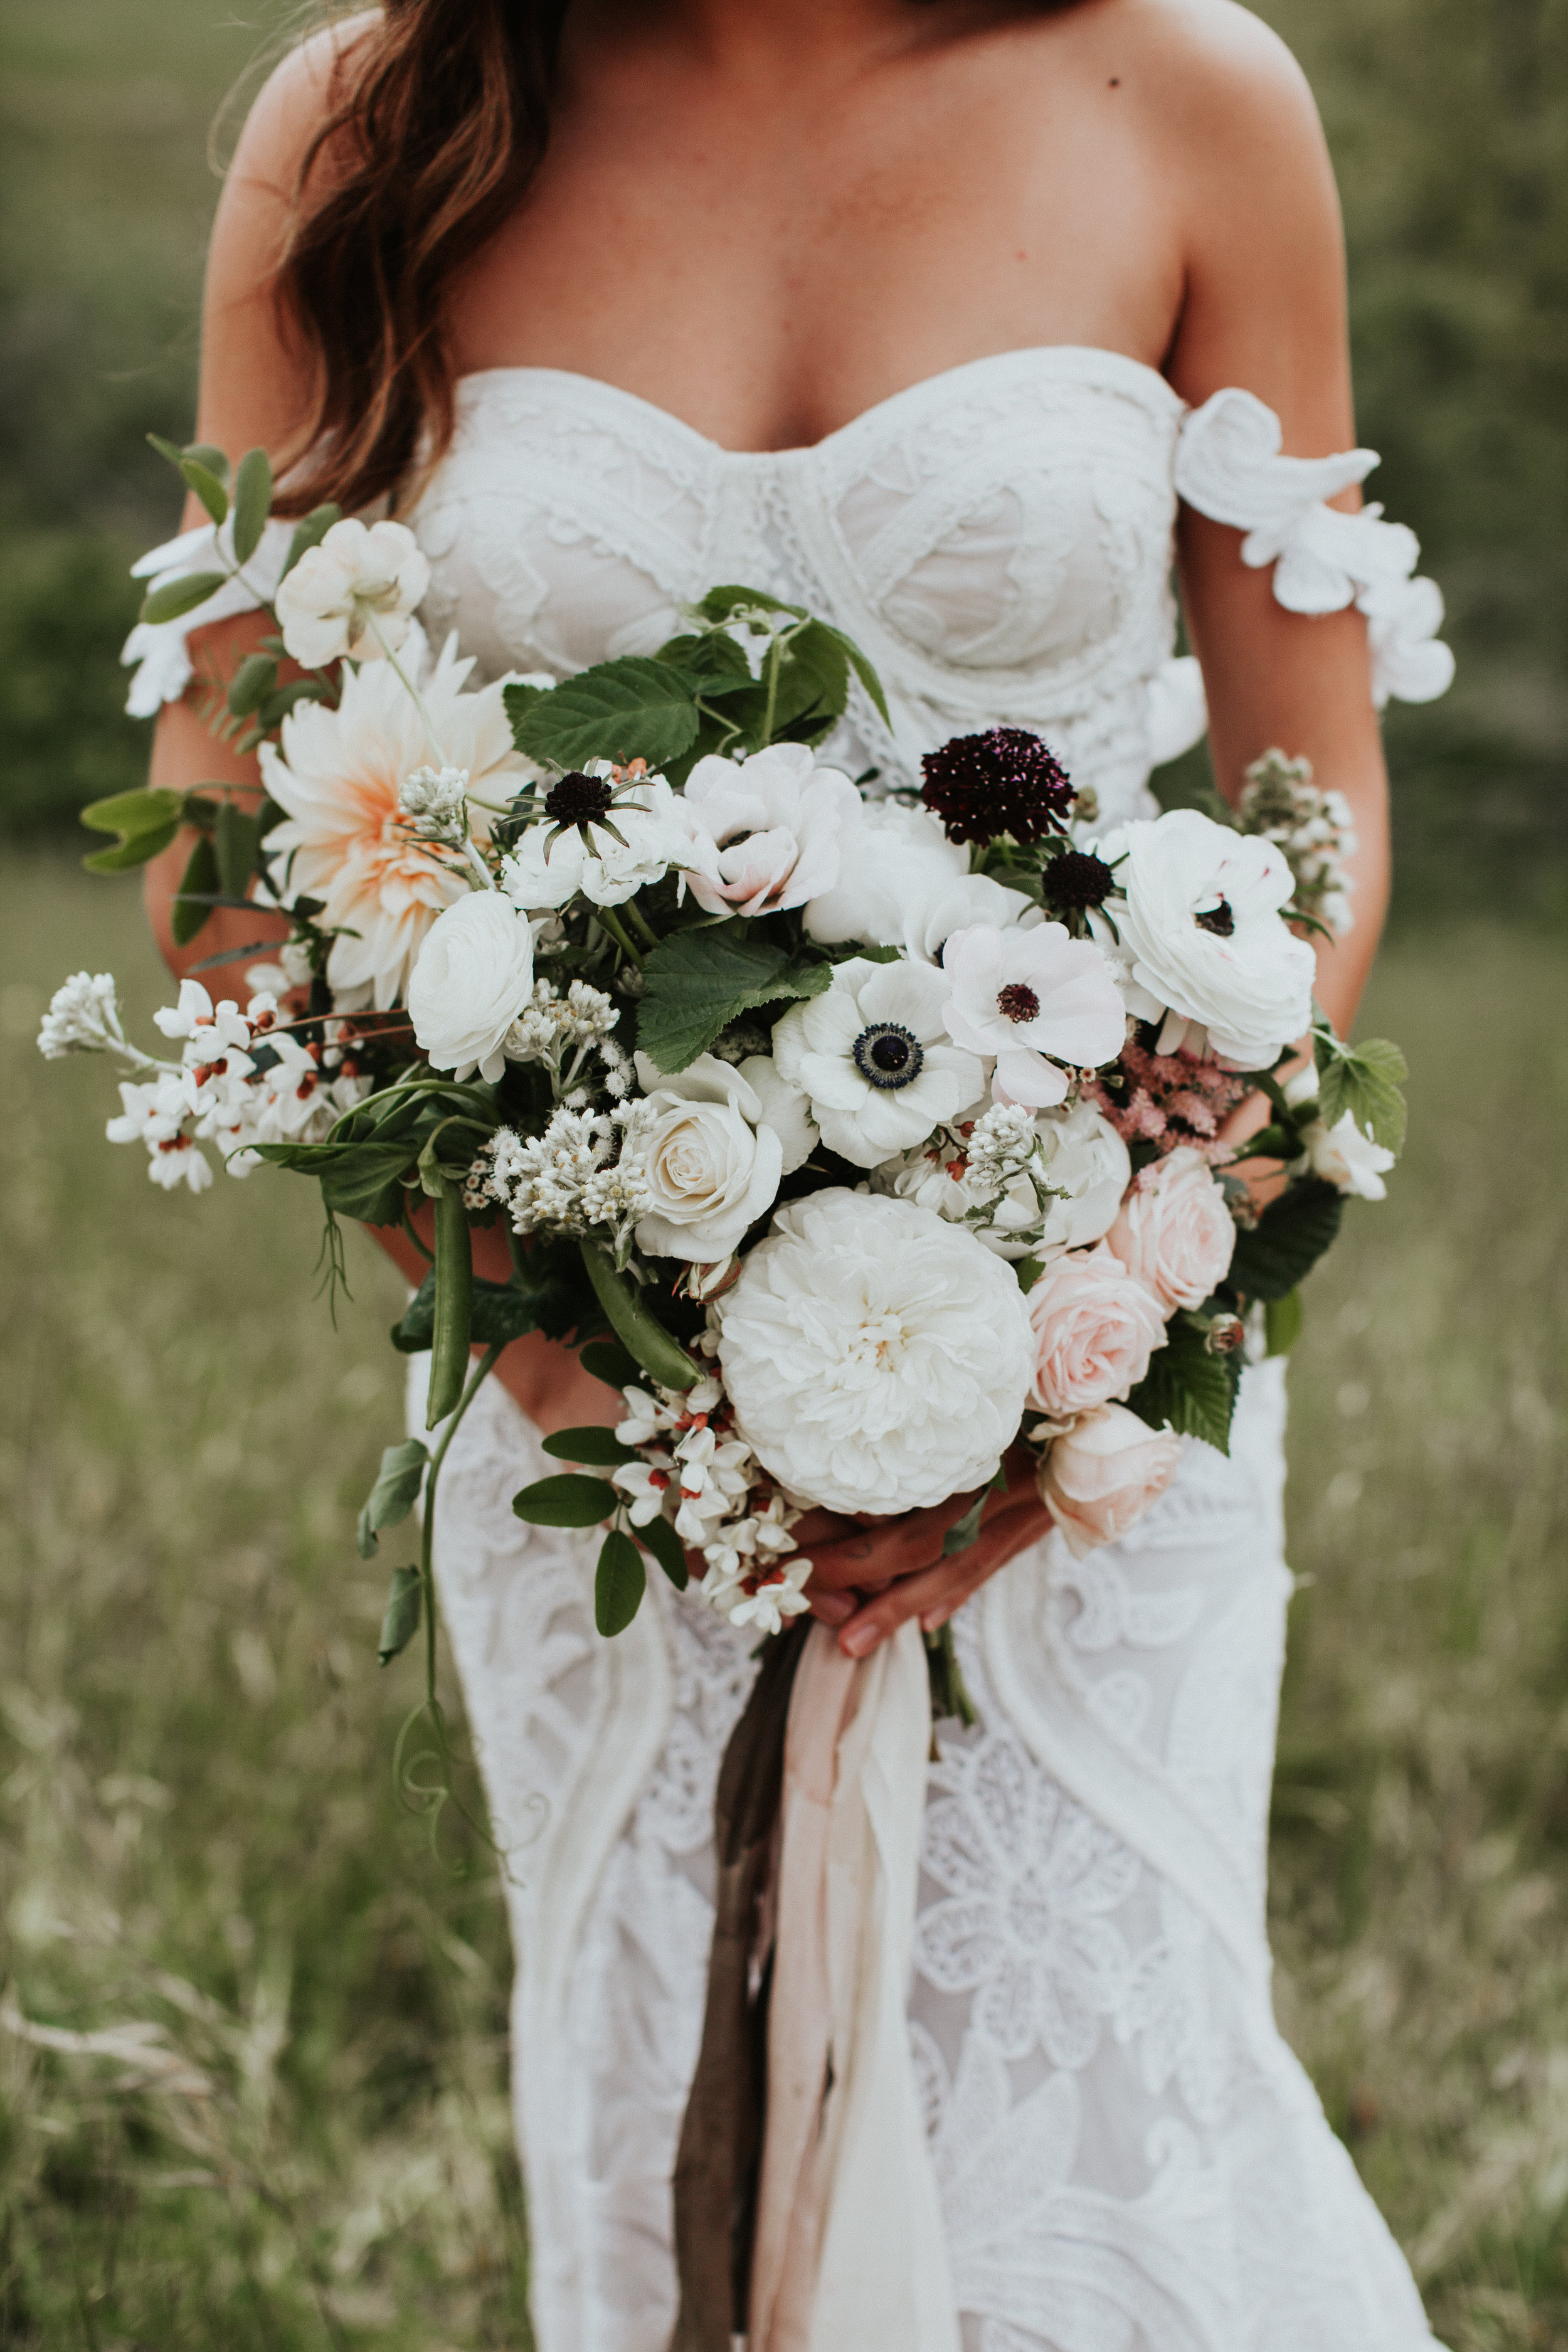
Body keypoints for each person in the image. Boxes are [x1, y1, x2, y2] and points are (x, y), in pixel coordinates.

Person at [142, 3, 1451, 2343]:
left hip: (1086, 1391)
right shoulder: (372, 122)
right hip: (584, 1401)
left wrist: (1116, 1324)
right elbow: (230, 863)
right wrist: (565, 1354)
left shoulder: (1191, 97)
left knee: (1110, 2138)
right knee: (679, 2123)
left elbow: (1308, 810)